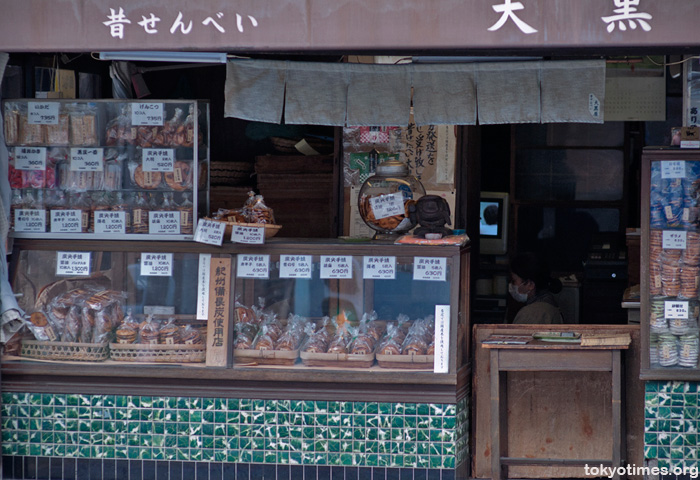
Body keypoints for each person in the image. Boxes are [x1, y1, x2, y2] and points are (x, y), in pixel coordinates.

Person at [508, 252, 564, 324]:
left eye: (513, 281)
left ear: (530, 284)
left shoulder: (531, 313)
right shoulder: (548, 303)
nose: (511, 285)